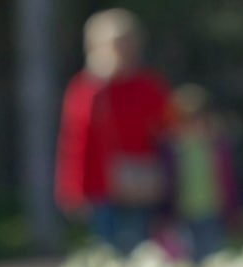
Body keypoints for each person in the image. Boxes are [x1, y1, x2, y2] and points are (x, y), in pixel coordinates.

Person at [55, 9, 170, 253]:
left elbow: (166, 130)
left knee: (144, 251)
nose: (122, 49)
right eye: (115, 43)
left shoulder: (148, 85)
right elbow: (75, 142)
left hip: (141, 182)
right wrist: (72, 189)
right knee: (110, 252)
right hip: (102, 187)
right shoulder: (87, 89)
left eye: (127, 41)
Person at [160, 85, 243, 262]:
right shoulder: (172, 150)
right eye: (186, 120)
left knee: (212, 255)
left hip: (212, 210)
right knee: (186, 258)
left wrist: (235, 211)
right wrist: (165, 215)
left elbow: (229, 181)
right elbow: (167, 184)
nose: (193, 124)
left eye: (198, 118)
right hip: (183, 212)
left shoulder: (217, 148)